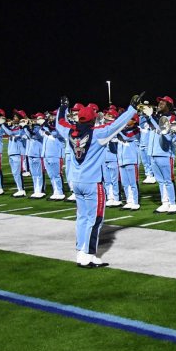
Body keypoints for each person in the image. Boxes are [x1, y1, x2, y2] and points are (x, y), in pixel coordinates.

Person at [56, 93, 140, 268]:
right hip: (92, 182)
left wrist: (63, 107)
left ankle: (81, 252)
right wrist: (132, 108)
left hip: (76, 181)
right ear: (93, 120)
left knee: (82, 218)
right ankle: (88, 255)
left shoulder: (70, 131)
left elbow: (60, 123)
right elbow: (117, 124)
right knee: (94, 219)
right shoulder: (98, 134)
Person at [146, 96, 176, 213]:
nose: (159, 104)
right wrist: (148, 116)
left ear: (168, 105)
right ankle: (165, 203)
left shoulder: (172, 118)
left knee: (168, 180)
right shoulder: (157, 117)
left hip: (165, 153)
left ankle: (173, 204)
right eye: (159, 102)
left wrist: (151, 116)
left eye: (162, 102)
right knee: (160, 181)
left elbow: (166, 133)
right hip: (153, 152)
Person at [117, 112, 141, 210]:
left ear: (134, 121)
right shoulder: (122, 130)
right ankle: (129, 201)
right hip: (121, 160)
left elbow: (127, 137)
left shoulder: (136, 130)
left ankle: (135, 202)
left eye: (129, 119)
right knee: (125, 183)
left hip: (131, 160)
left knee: (133, 182)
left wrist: (117, 129)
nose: (127, 121)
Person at [2, 110, 28, 197]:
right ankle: (19, 189)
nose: (14, 118)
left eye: (16, 117)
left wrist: (3, 124)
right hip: (12, 152)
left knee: (17, 173)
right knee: (14, 173)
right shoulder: (14, 126)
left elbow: (11, 133)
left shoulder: (21, 128)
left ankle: (21, 190)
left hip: (18, 153)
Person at [42, 110, 67, 200]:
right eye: (51, 115)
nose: (52, 117)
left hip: (56, 154)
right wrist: (45, 122)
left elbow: (55, 133)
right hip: (46, 154)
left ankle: (60, 192)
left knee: (57, 175)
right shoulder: (49, 126)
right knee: (51, 175)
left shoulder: (61, 128)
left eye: (54, 115)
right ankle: (55, 191)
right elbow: (42, 130)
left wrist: (48, 124)